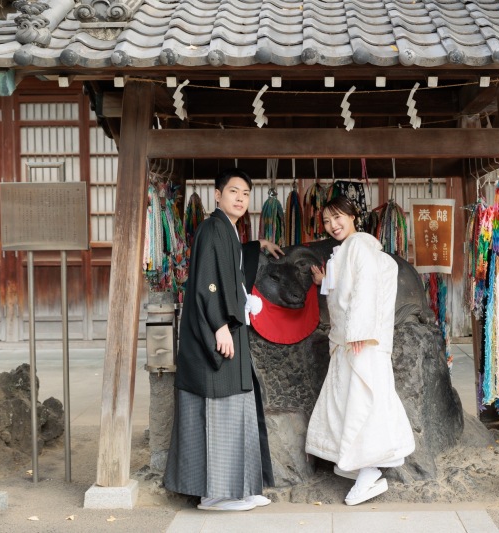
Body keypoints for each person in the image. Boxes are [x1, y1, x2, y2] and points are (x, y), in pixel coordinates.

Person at [164, 168, 282, 511]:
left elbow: (231, 262)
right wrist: (218, 325)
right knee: (218, 411)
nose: (240, 198)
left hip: (231, 330)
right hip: (216, 333)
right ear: (217, 195)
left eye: (245, 193)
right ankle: (213, 494)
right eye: (233, 191)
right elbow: (207, 280)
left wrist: (256, 246)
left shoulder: (227, 230)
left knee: (238, 408)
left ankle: (240, 488)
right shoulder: (212, 228)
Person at [306, 195, 415, 506]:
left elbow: (366, 287)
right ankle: (360, 464)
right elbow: (347, 288)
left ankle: (370, 472)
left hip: (359, 340)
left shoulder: (359, 246)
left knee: (362, 402)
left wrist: (359, 331)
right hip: (350, 340)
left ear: (353, 216)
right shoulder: (347, 250)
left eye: (338, 217)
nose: (333, 225)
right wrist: (324, 281)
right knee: (350, 402)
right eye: (327, 221)